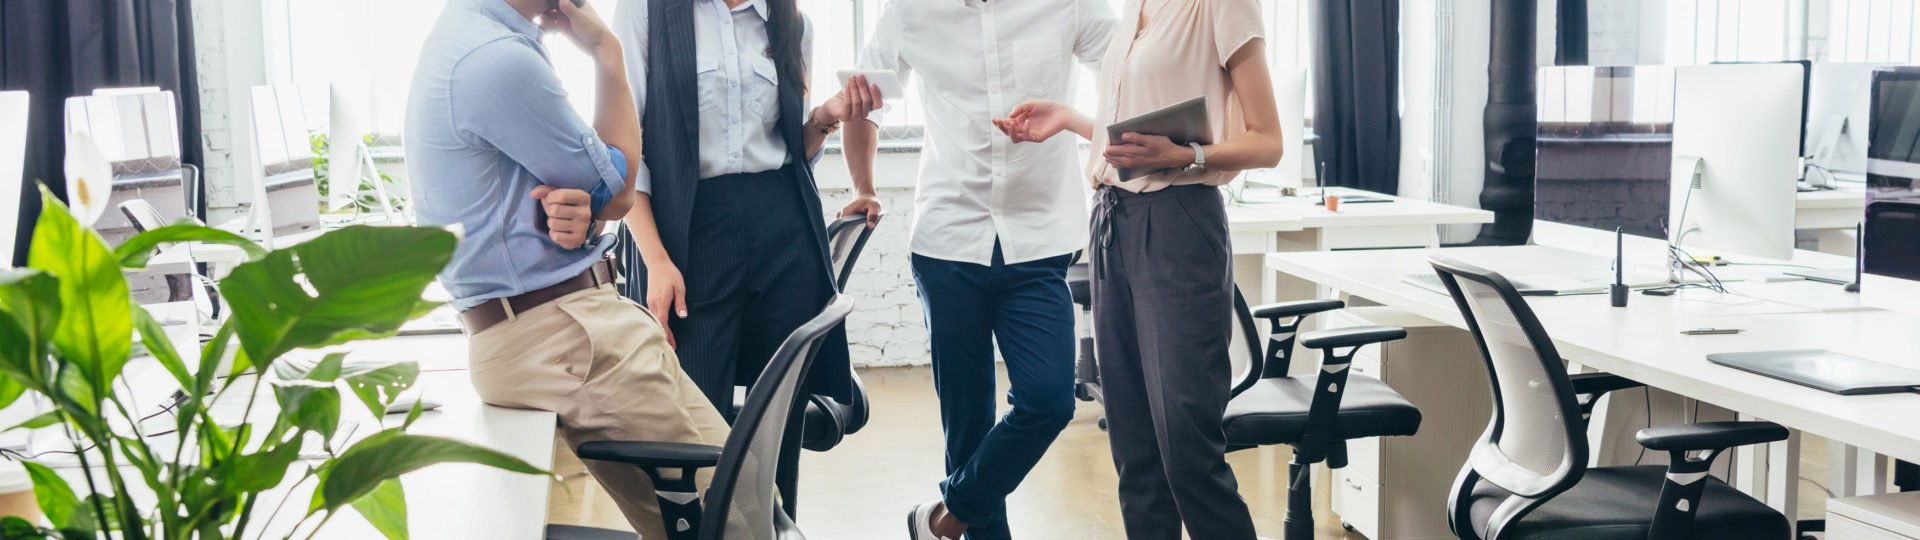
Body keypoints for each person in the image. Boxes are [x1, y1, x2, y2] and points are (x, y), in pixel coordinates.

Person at [403, 0, 729, 538]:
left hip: (565, 324)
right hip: (564, 332)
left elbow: (592, 198)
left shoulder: (471, 33)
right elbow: (619, 191)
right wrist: (608, 51)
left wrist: (589, 207)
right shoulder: (496, 58)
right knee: (730, 519)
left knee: (745, 480)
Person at [993, 0, 1285, 535]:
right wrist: (1070, 118)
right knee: (1135, 449)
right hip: (1111, 222)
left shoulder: (1220, 6)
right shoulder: (1135, 10)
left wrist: (1184, 156)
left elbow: (1269, 142)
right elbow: (1136, 138)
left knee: (1187, 447)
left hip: (1178, 223)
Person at [835, 0, 1116, 538]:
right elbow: (862, 104)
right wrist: (864, 188)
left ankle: (946, 516)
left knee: (1049, 400)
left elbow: (1128, 73)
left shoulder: (1069, 5)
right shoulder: (910, 12)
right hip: (947, 240)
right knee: (967, 421)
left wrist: (1096, 138)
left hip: (1039, 239)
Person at [610, 0, 882, 418]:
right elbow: (626, 151)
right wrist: (656, 260)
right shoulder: (645, 12)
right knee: (695, 408)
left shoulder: (792, 23)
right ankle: (709, 487)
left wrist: (826, 117)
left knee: (780, 410)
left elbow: (791, 151)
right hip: (689, 224)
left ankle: (770, 486)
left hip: (783, 222)